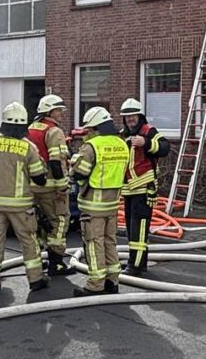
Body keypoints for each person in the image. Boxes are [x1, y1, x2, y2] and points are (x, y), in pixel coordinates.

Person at [0, 102, 50, 295]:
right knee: (29, 242)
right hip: (21, 207)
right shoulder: (28, 147)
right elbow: (39, 179)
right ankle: (36, 280)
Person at [69, 106, 128, 297]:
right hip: (112, 204)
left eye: (89, 130)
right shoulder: (121, 144)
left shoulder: (91, 146)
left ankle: (95, 284)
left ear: (95, 128)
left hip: (92, 205)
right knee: (110, 241)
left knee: (94, 244)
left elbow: (79, 173)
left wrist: (73, 166)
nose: (87, 133)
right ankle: (112, 281)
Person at [119, 98, 169, 276]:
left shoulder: (148, 131)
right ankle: (135, 261)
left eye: (132, 115)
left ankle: (136, 266)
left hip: (144, 189)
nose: (130, 119)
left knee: (139, 230)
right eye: (126, 116)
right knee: (130, 229)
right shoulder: (123, 134)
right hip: (128, 189)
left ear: (139, 115)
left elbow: (165, 147)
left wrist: (146, 143)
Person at [27, 94, 75, 276]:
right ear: (49, 111)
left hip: (33, 186)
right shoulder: (54, 131)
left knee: (38, 223)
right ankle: (57, 263)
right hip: (51, 188)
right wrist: (62, 187)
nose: (61, 114)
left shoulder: (31, 128)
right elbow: (56, 162)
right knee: (59, 221)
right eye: (58, 110)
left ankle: (38, 261)